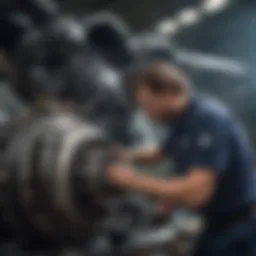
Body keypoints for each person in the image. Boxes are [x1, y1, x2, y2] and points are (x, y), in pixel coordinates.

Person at [106, 62, 256, 256]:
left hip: (239, 228)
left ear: (167, 94)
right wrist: (125, 155)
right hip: (217, 224)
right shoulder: (184, 120)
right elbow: (160, 153)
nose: (146, 113)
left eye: (147, 105)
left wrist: (130, 180)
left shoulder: (208, 120)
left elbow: (196, 192)